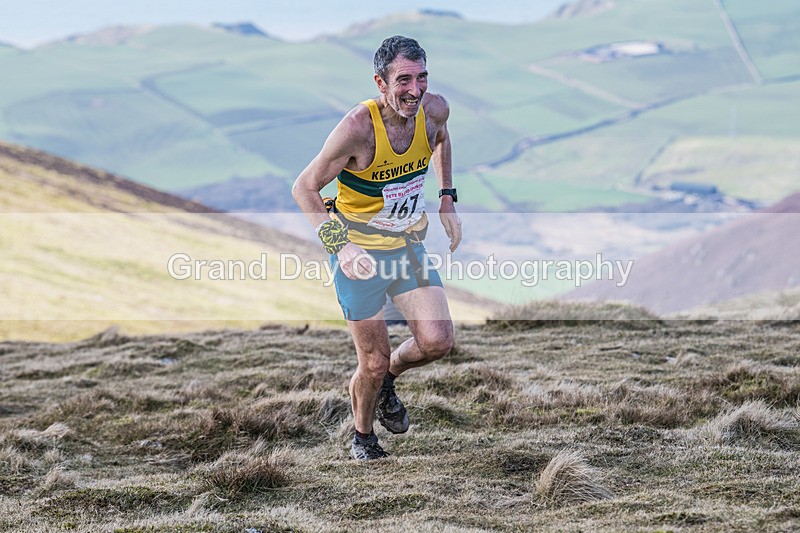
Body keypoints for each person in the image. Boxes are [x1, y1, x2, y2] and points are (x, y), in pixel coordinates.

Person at [292, 35, 462, 461]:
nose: (415, 90)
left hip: (405, 244)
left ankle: (390, 378)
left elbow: (441, 138)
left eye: (422, 78)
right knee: (371, 360)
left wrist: (446, 199)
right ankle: (363, 436)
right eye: (403, 80)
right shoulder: (357, 129)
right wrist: (341, 246)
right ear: (380, 83)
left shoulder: (434, 110)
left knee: (438, 340)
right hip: (359, 257)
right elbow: (304, 188)